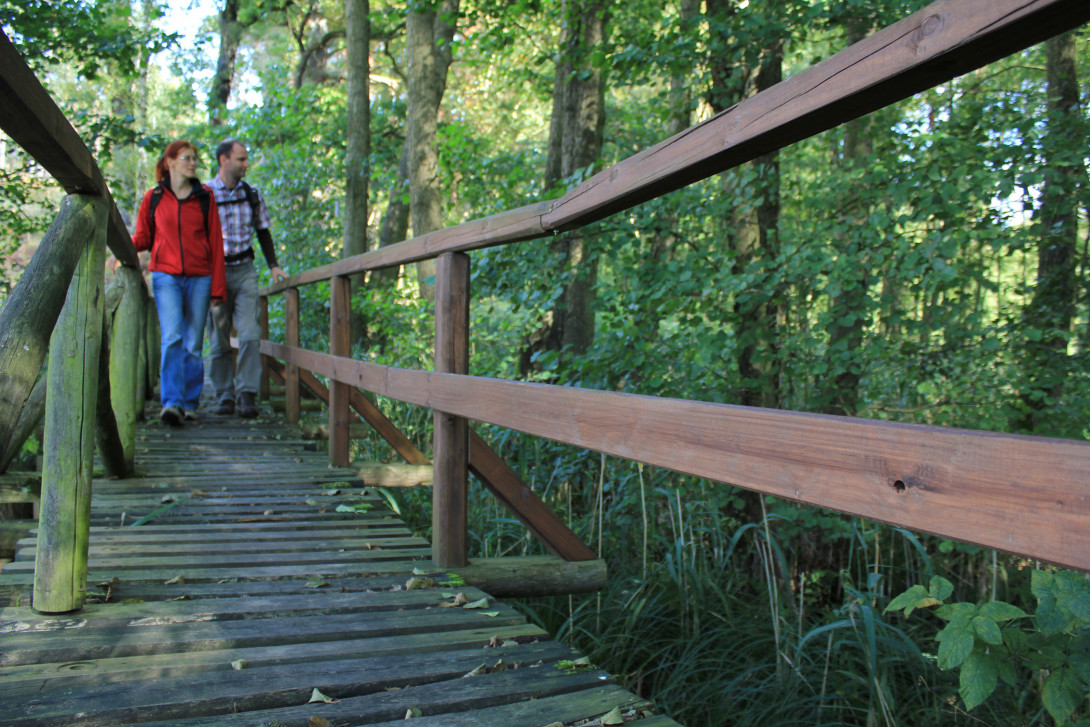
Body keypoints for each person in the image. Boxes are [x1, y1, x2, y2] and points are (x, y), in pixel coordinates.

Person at [132, 140, 226, 427]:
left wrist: (218, 289)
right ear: (170, 161)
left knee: (193, 344)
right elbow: (143, 237)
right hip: (166, 276)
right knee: (172, 336)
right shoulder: (154, 197)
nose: (192, 163)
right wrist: (121, 252)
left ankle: (189, 402)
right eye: (186, 158)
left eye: (194, 158)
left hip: (200, 277)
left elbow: (215, 242)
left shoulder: (205, 197)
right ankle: (172, 402)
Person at [208, 138, 286, 419]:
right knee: (218, 338)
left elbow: (263, 231)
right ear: (223, 160)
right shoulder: (204, 195)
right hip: (214, 273)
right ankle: (225, 395)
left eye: (246, 159)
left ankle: (247, 394)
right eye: (241, 159)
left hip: (244, 271)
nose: (246, 164)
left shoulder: (252, 194)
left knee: (250, 333)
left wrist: (274, 266)